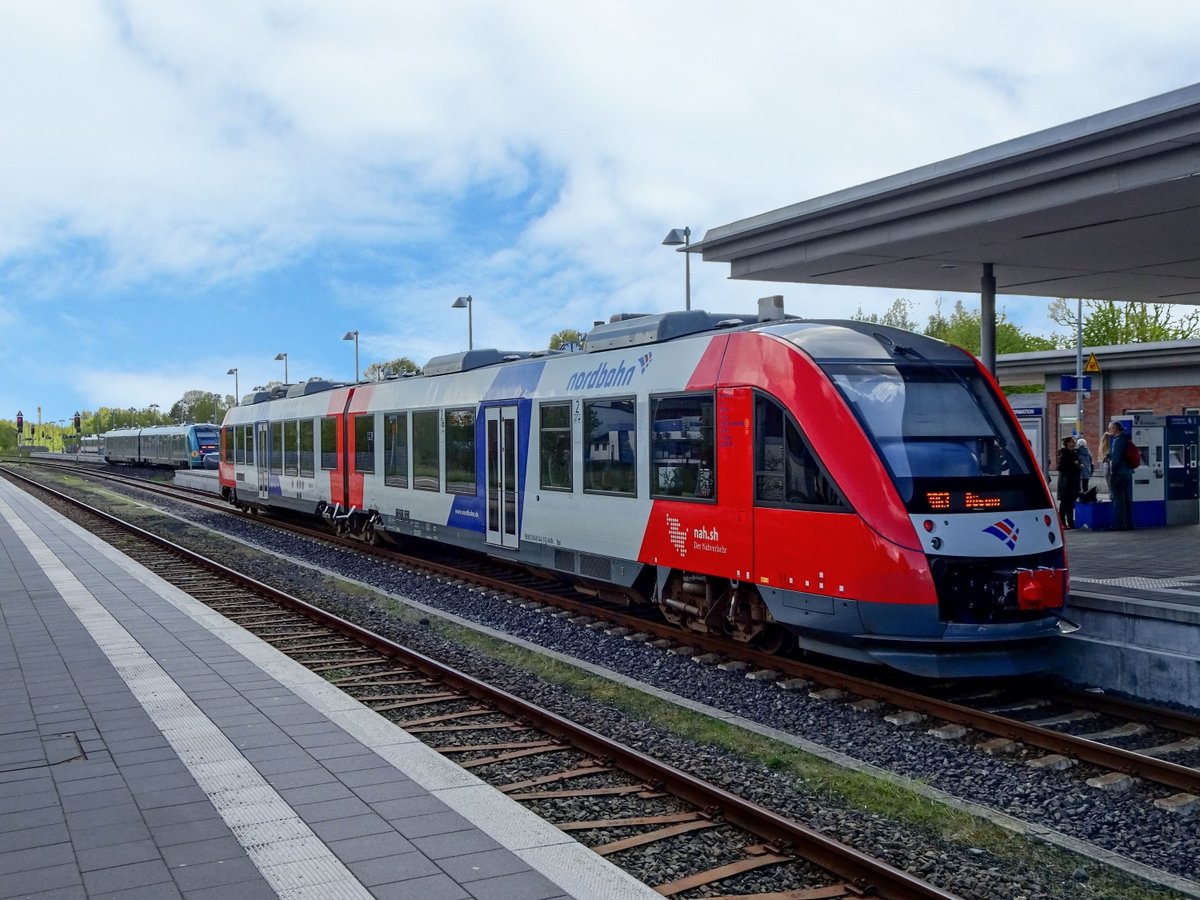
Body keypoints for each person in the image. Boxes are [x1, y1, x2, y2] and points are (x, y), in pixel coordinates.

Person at [1107, 421, 1135, 530]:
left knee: (1118, 499)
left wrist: (1112, 471)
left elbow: (1116, 459)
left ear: (1115, 428)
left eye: (1110, 429)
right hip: (1128, 472)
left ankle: (1119, 524)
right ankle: (1129, 523)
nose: (1109, 431)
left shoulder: (1118, 441)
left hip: (1119, 473)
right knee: (1127, 499)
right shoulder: (1127, 439)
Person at [1056, 436, 1081, 529]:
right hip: (1065, 482)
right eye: (1072, 441)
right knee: (1064, 503)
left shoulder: (1075, 452)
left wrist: (1079, 465)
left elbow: (1077, 462)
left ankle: (1071, 522)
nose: (1074, 443)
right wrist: (1073, 464)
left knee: (1071, 503)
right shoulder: (1063, 453)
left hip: (1073, 481)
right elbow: (1060, 467)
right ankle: (1062, 522)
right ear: (1067, 443)